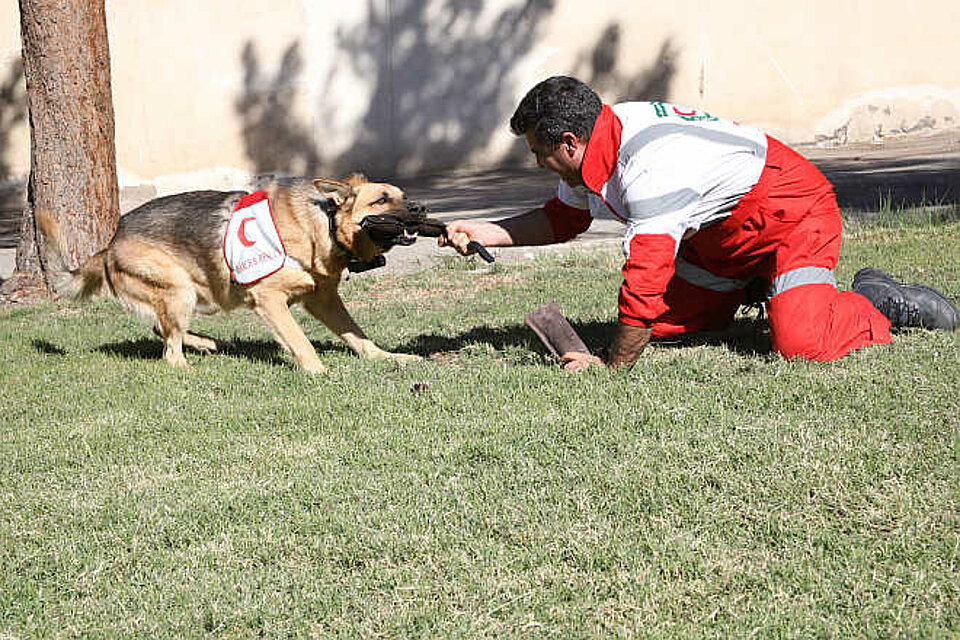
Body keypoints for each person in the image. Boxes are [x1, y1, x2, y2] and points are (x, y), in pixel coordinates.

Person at [440, 76, 959, 371]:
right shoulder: (601, 138)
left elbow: (645, 276)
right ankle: (762, 287)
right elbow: (560, 220)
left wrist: (612, 369)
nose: (536, 164)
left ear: (570, 143)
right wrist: (489, 232)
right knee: (663, 327)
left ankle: (873, 300)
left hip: (792, 214)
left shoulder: (649, 165)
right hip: (722, 237)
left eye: (539, 153)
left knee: (800, 344)